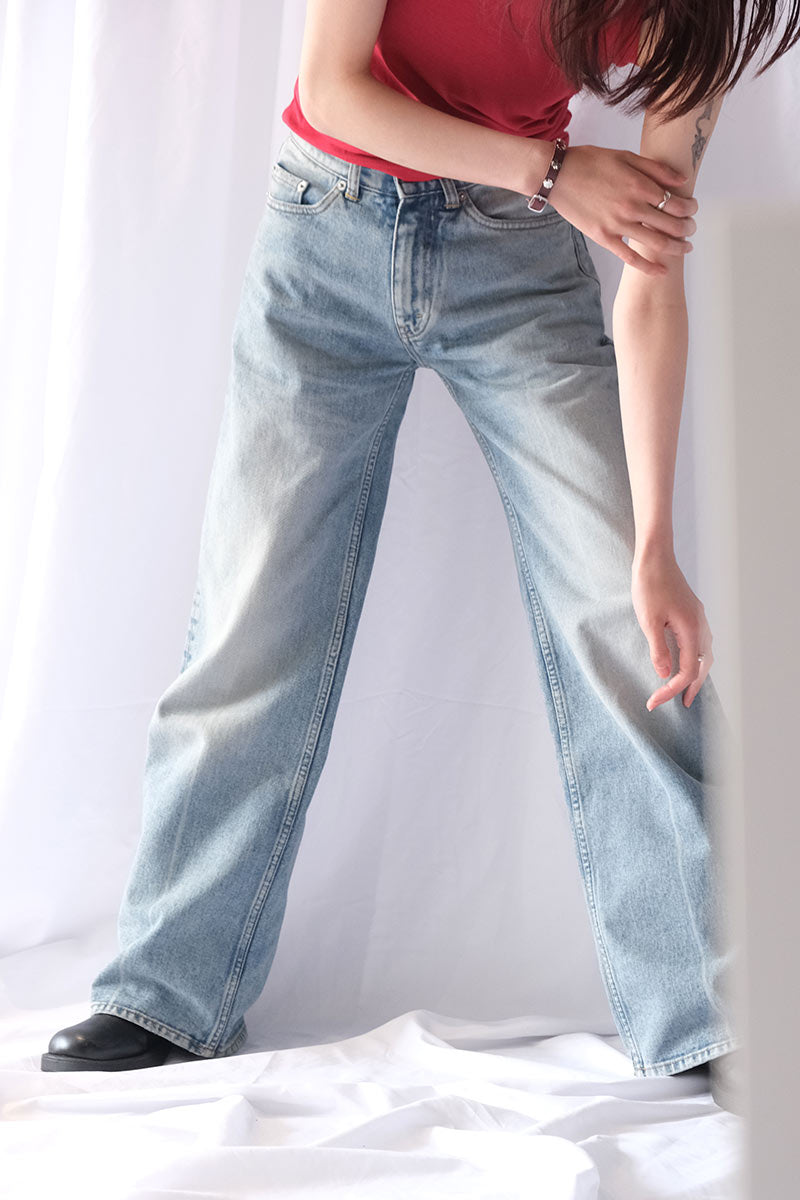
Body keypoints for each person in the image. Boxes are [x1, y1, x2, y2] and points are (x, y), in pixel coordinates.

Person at [41, 0, 798, 1114]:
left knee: (627, 624)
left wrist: (652, 546)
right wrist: (554, 171)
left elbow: (652, 269)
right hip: (326, 239)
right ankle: (166, 990)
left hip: (518, 269)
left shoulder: (693, 16)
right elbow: (334, 87)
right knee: (253, 623)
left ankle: (719, 1011)